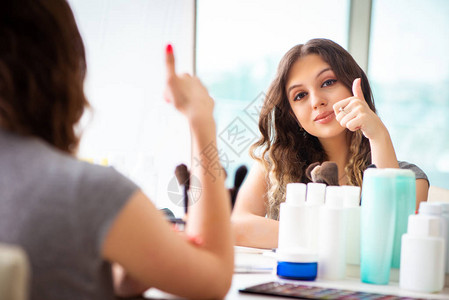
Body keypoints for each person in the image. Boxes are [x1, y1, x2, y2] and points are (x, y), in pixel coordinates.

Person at [0, 1, 233, 299]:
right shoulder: (84, 191)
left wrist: (109, 281)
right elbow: (212, 278)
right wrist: (201, 120)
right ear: (66, 65)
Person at [231, 38, 429, 249]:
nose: (316, 101)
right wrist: (336, 235)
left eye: (327, 82)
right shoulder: (275, 165)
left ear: (353, 83)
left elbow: (390, 243)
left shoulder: (412, 180)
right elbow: (238, 228)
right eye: (300, 95)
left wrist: (379, 136)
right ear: (293, 114)